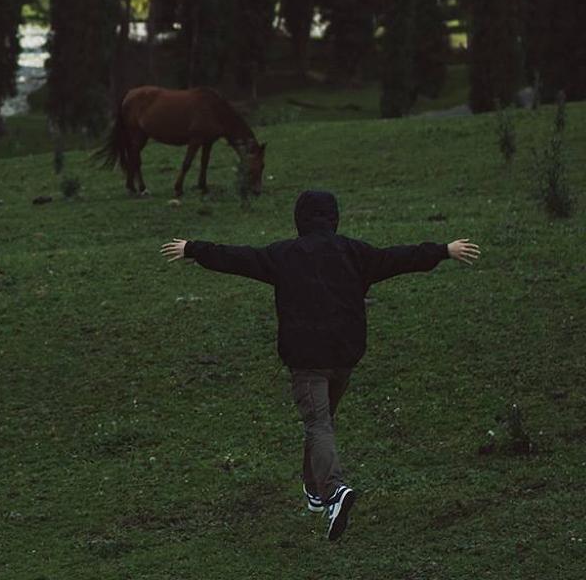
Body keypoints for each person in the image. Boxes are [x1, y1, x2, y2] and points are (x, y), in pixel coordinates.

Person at [160, 189, 480, 541]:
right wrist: (444, 250)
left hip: (307, 359)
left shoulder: (283, 254)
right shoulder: (355, 252)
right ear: (334, 218)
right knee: (321, 421)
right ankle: (314, 490)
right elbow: (399, 257)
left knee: (317, 423)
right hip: (344, 356)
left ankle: (333, 492)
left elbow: (237, 258)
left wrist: (193, 248)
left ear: (299, 219)